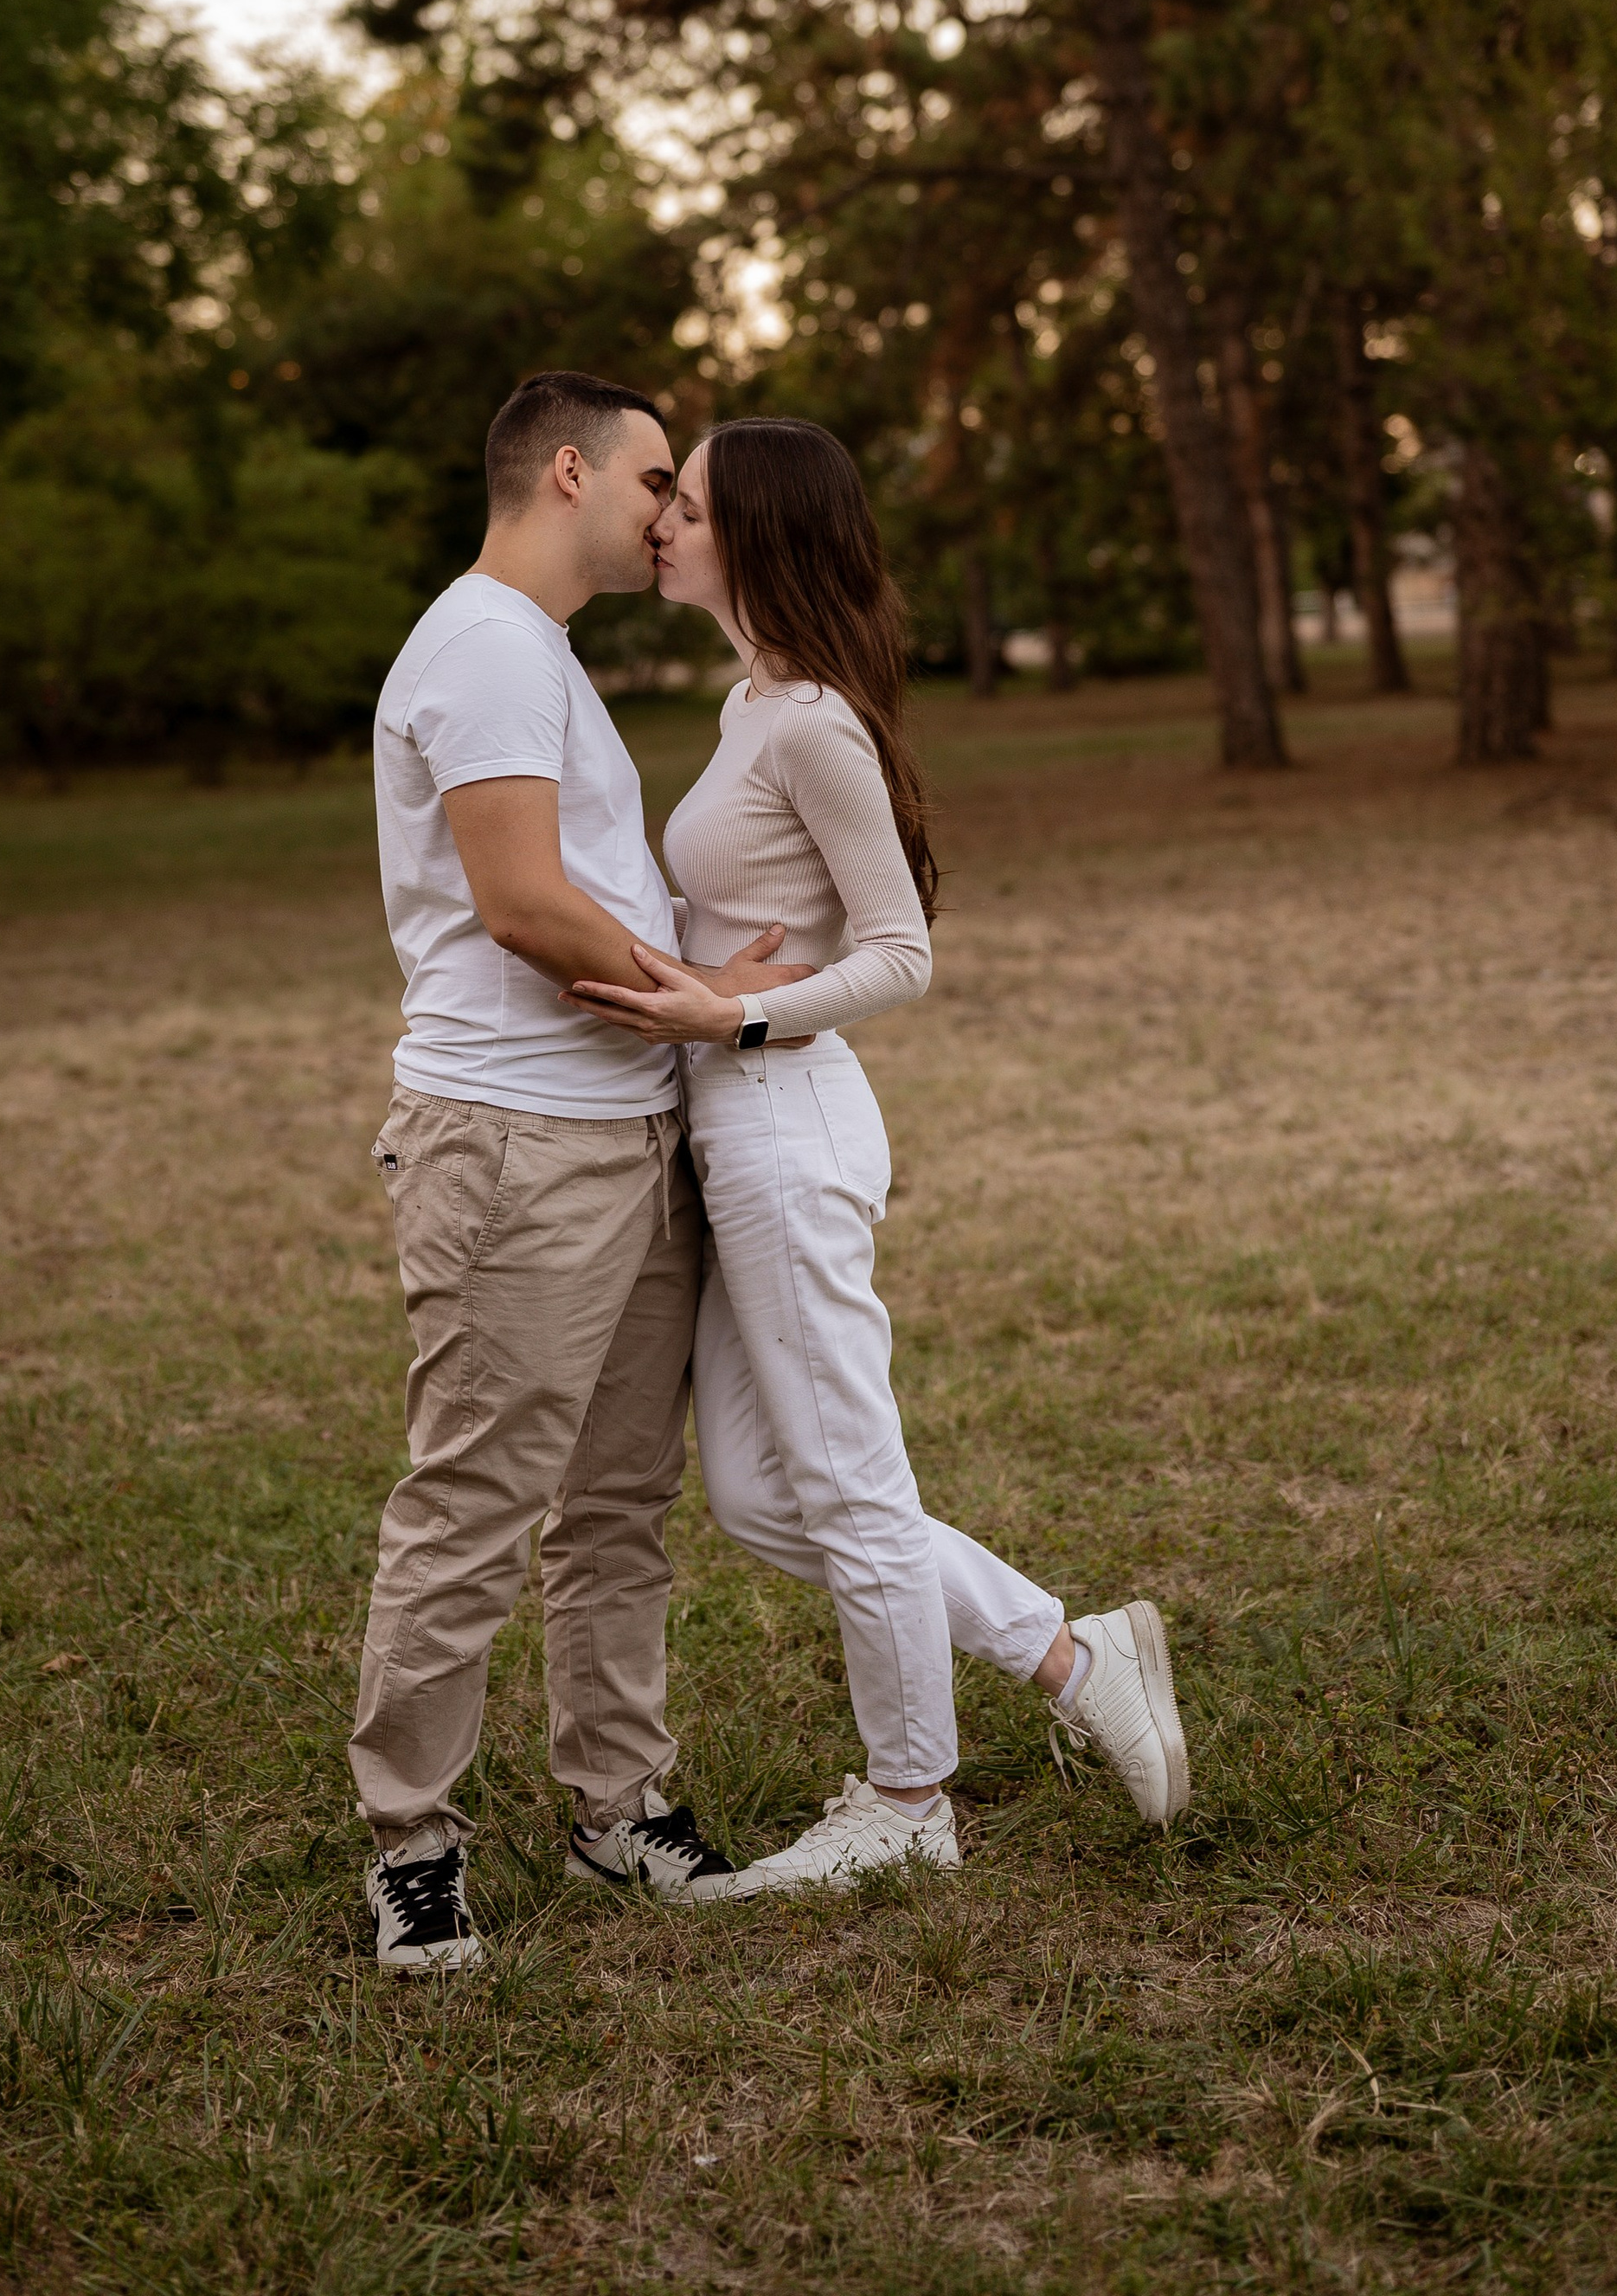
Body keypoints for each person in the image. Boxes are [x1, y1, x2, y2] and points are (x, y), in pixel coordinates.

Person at [568, 417, 1190, 1898]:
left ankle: (910, 1803)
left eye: (692, 503)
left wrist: (742, 1009)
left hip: (789, 1128)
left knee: (847, 1487)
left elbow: (902, 953)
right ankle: (1063, 1645)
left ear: (761, 534)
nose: (663, 518)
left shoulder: (814, 725)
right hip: (738, 1127)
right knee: (761, 1500)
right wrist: (711, 975)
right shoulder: (750, 706)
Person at [351, 370, 808, 1973]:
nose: (670, 512)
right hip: (517, 1146)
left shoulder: (538, 656)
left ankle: (620, 1807)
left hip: (630, 1131)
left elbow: (585, 885)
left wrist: (698, 960)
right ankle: (413, 1846)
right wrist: (688, 997)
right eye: (653, 480)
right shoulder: (482, 645)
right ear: (566, 472)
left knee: (617, 1505)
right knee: (476, 1497)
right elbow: (520, 905)